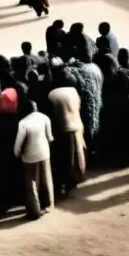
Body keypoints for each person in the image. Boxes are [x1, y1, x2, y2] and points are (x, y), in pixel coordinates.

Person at [48, 67, 86, 196]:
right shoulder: (73, 91)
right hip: (77, 127)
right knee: (76, 156)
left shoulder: (52, 94)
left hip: (62, 130)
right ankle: (73, 182)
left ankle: (63, 185)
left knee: (62, 159)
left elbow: (52, 114)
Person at [14, 100, 54, 219]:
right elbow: (50, 137)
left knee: (31, 183)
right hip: (45, 153)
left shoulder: (23, 123)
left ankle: (34, 211)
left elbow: (18, 143)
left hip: (30, 156)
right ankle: (48, 205)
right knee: (45, 180)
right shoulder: (45, 118)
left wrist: (16, 154)